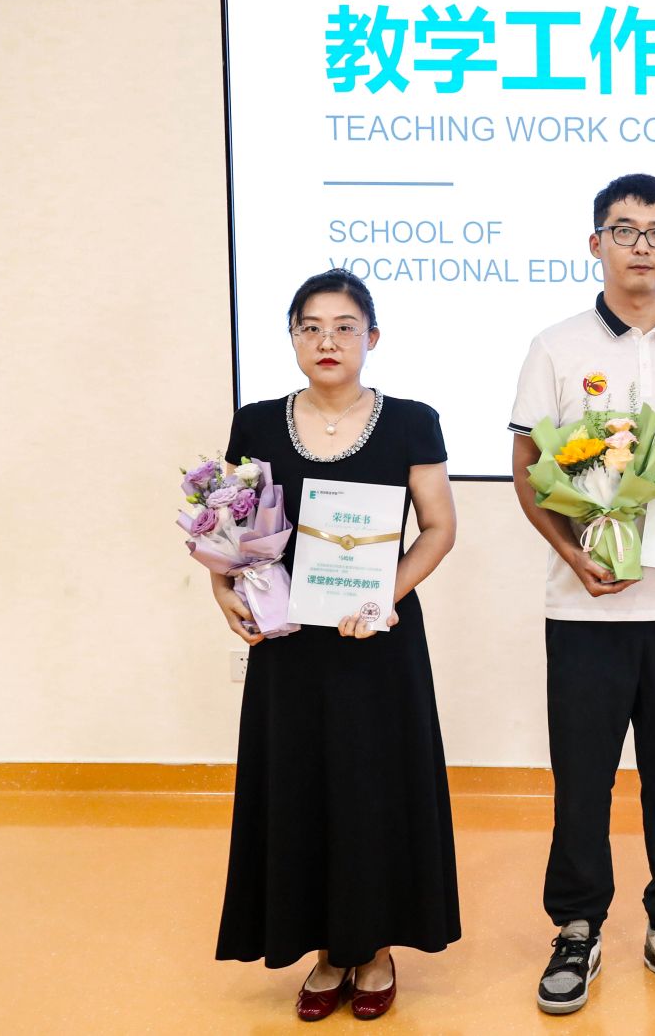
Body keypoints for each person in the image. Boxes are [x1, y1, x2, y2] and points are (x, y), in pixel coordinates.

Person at [510, 174, 655, 1015]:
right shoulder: (556, 345)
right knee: (582, 781)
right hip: (587, 610)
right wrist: (571, 555)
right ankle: (576, 927)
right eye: (623, 229)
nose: (640, 245)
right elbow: (526, 468)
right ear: (595, 243)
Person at [210, 268, 460, 1022]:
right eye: (311, 327)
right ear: (292, 338)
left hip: (378, 642)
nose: (328, 340)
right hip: (290, 645)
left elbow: (439, 528)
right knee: (300, 787)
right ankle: (324, 950)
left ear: (371, 337)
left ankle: (373, 948)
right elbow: (230, 528)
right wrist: (221, 585)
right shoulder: (256, 423)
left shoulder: (412, 421)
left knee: (373, 789)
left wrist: (385, 595)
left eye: (345, 327)